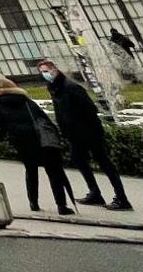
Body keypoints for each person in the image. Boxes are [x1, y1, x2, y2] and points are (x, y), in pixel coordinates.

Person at [40, 59, 131, 210]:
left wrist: (85, 129)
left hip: (89, 132)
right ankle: (95, 193)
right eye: (42, 72)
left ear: (55, 70)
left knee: (104, 163)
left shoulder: (71, 88)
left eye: (47, 71)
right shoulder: (55, 88)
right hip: (74, 134)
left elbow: (89, 110)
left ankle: (121, 198)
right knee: (80, 161)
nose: (45, 74)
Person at [0, 75, 74, 214]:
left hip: (22, 142)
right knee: (53, 171)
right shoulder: (26, 101)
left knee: (31, 171)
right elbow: (42, 118)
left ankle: (33, 203)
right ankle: (61, 205)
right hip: (42, 141)